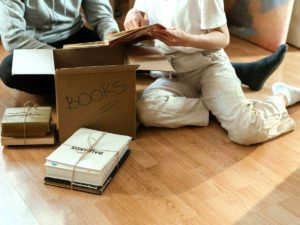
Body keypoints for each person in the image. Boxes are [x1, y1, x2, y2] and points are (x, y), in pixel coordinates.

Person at [124, 0, 300, 145]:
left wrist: (187, 40)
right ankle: (222, 108)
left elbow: (223, 37)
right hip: (172, 73)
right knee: (146, 109)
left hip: (209, 66)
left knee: (245, 132)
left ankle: (282, 96)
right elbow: (139, 9)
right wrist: (133, 13)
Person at [0, 0, 119, 95]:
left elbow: (103, 17)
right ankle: (91, 83)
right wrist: (61, 57)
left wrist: (111, 36)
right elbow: (13, 37)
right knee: (9, 69)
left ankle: (74, 84)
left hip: (76, 34)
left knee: (122, 51)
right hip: (36, 45)